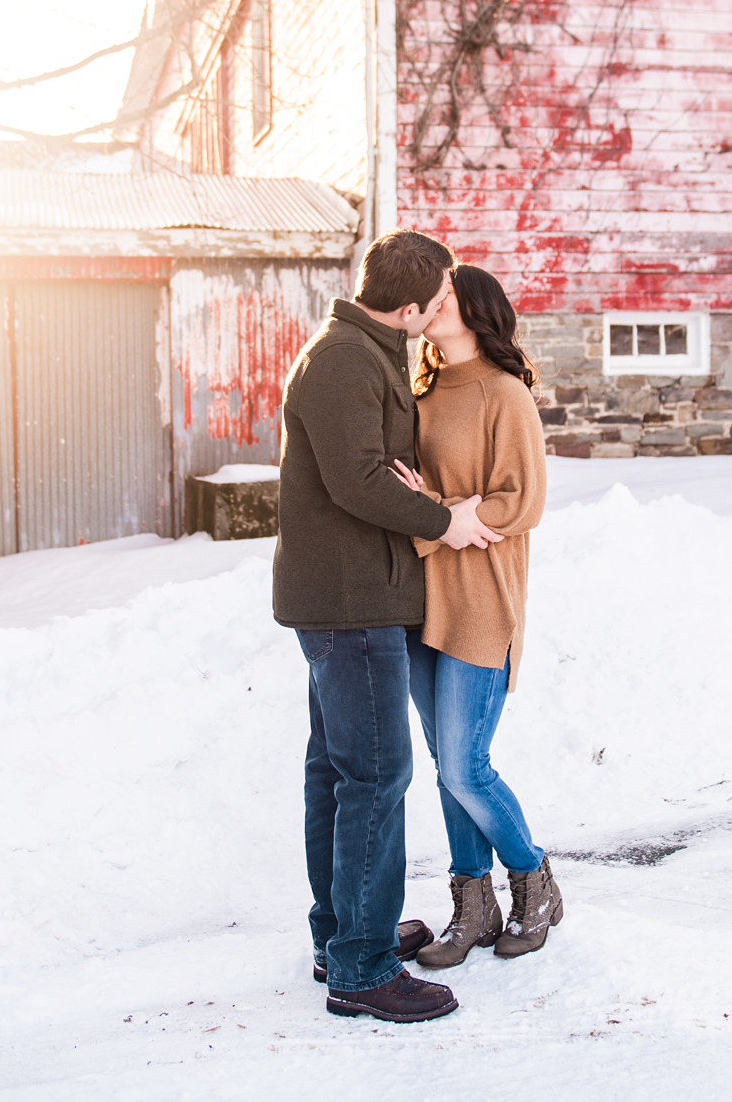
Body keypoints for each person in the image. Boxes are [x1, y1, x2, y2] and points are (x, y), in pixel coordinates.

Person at [275, 229, 503, 1024]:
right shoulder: (344, 358)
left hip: (351, 599)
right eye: (436, 298)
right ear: (407, 306)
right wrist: (447, 520)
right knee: (373, 778)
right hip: (352, 603)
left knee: (339, 773)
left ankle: (342, 934)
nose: (442, 307)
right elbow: (359, 481)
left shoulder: (362, 347)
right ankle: (363, 968)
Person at [390, 263, 561, 967]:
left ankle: (535, 878)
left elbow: (522, 500)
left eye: (448, 296)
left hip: (482, 598)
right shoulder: (422, 392)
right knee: (444, 764)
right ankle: (474, 903)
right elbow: (411, 496)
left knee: (466, 765)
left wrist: (451, 515)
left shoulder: (505, 393)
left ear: (477, 310)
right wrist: (437, 515)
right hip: (422, 599)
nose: (434, 304)